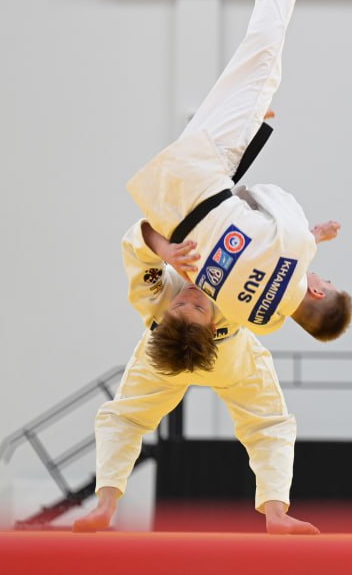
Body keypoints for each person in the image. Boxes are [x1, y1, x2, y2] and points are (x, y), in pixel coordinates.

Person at [125, 0, 352, 376]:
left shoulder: (281, 280)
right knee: (256, 79)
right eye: (196, 308)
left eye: (327, 282)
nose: (189, 300)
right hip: (169, 199)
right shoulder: (253, 318)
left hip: (203, 180)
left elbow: (269, 196)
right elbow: (256, 264)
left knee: (261, 67)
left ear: (319, 292)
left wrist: (300, 236)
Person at [72, 222, 330, 535]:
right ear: (211, 325)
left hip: (190, 357)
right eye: (193, 306)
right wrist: (312, 238)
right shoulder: (236, 300)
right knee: (268, 426)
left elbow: (138, 242)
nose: (190, 296)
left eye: (182, 304)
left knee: (124, 419)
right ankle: (276, 513)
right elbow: (277, 273)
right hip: (228, 357)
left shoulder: (153, 298)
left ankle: (106, 504)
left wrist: (163, 249)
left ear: (166, 316)